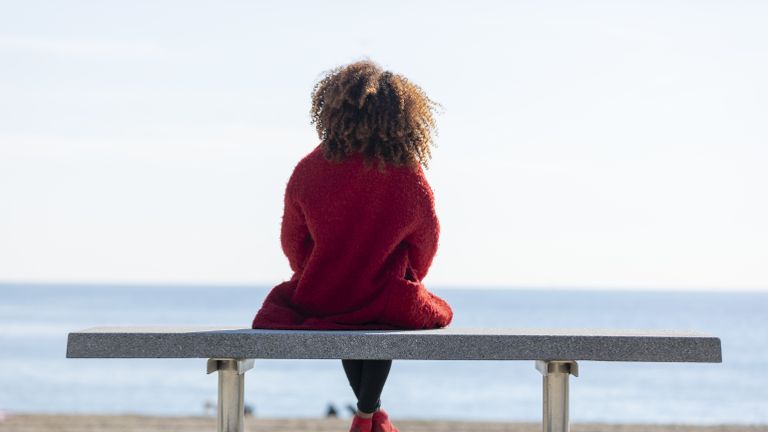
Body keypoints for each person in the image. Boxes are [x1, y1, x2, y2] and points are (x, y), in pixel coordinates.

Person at [251, 59, 453, 432]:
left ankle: (369, 414)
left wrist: (315, 271)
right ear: (401, 116)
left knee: (345, 313)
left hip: (324, 294)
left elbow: (292, 240)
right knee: (383, 316)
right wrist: (411, 275)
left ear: (332, 111)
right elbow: (426, 238)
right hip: (384, 295)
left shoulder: (309, 170)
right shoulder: (406, 171)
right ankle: (367, 413)